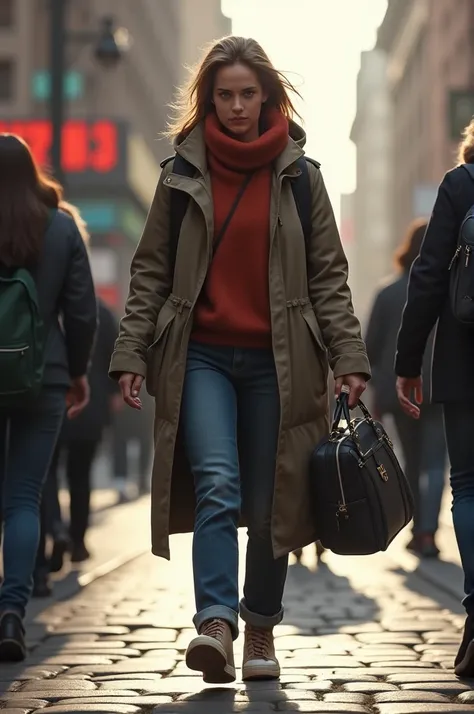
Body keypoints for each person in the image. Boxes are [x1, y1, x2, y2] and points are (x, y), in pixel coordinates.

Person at [110, 35, 370, 684]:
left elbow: (329, 276)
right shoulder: (180, 175)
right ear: (208, 99)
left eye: (246, 94)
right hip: (200, 358)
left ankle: (259, 629)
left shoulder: (300, 175)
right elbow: (149, 273)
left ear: (267, 96)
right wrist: (130, 352)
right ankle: (216, 625)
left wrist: (349, 356)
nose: (235, 107)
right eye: (223, 95)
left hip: (280, 364)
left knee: (272, 499)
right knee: (218, 485)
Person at [0, 134, 96, 660]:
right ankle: (12, 612)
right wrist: (76, 371)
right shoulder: (59, 225)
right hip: (45, 375)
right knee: (23, 497)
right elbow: (82, 311)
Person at [395, 118, 474, 677]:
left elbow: (426, 276)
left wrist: (407, 363)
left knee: (468, 484)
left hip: (463, 357)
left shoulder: (460, 184)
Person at [366, 219, 447, 558]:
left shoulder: (388, 293)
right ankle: (427, 532)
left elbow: (370, 346)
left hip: (399, 391)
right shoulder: (448, 290)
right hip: (441, 389)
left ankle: (416, 525)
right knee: (433, 464)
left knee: (410, 461)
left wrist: (376, 392)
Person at [33, 297, 120, 596]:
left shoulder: (48, 304)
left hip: (54, 397)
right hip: (88, 405)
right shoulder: (102, 314)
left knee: (47, 475)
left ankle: (56, 527)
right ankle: (78, 541)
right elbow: (115, 358)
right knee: (80, 478)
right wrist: (111, 393)